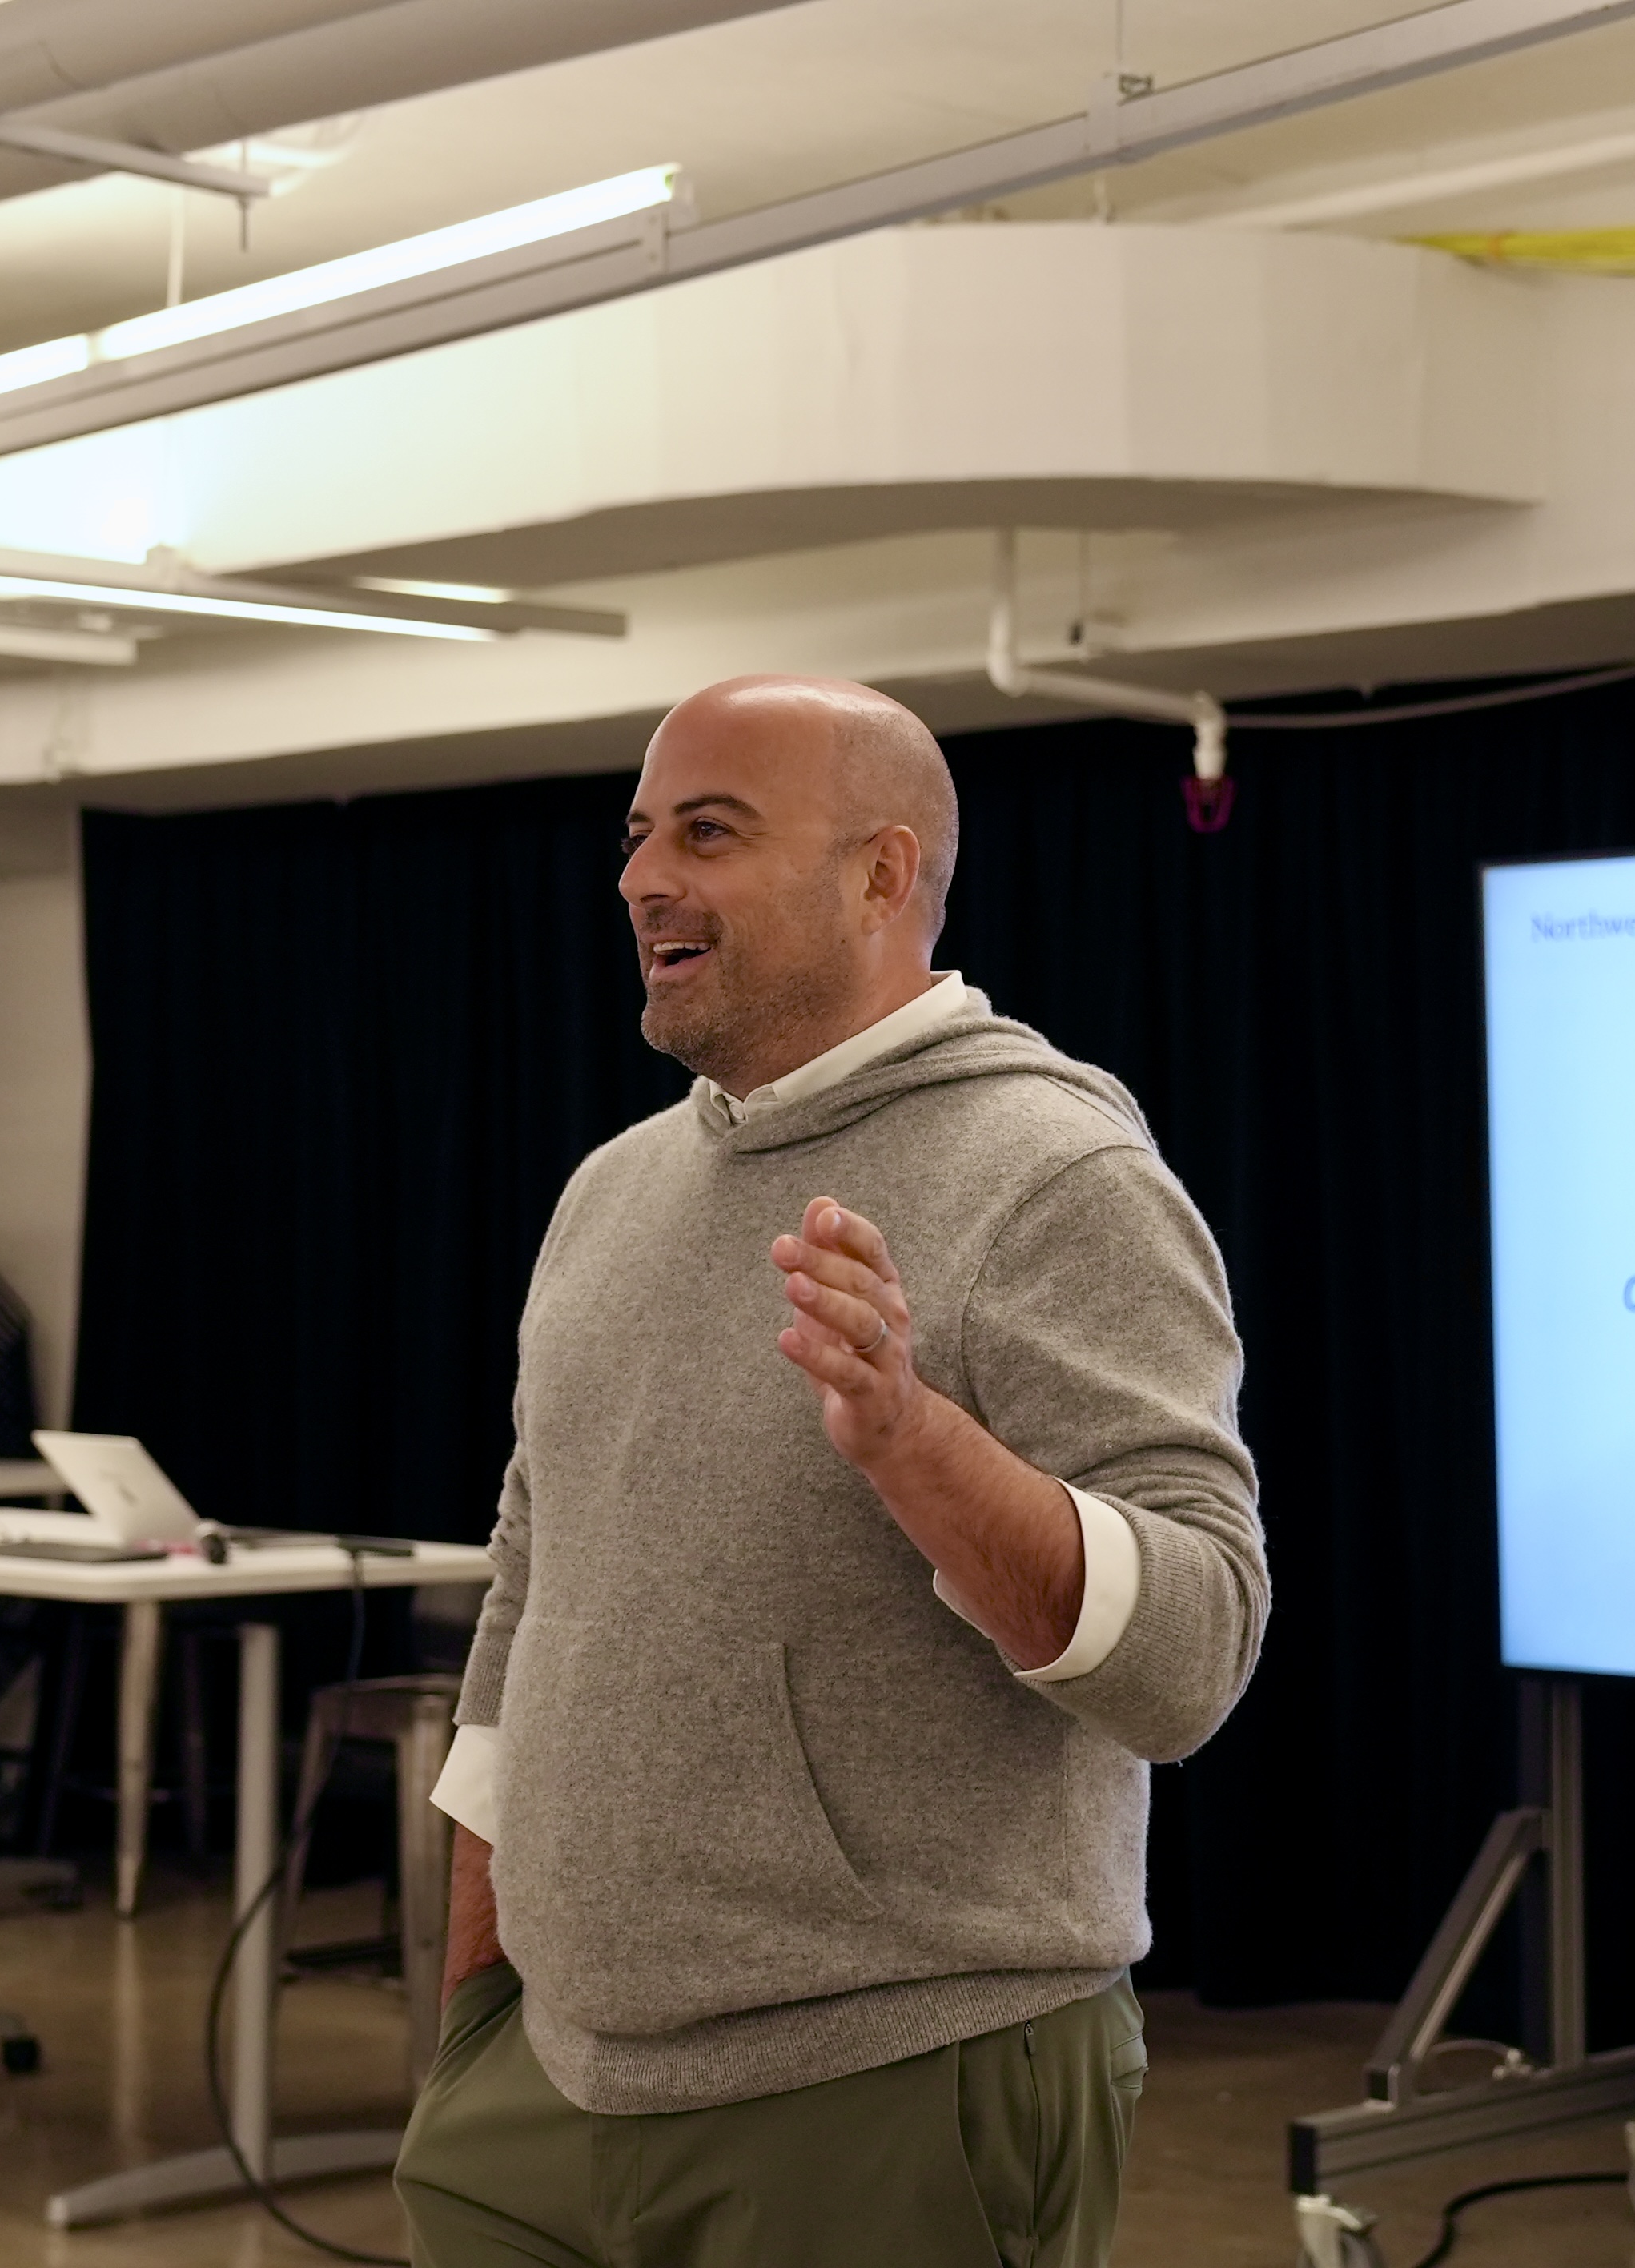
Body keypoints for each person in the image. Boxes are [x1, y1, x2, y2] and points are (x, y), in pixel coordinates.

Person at [393, 675, 1265, 2267]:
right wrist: (476, 1993)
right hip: (547, 2070)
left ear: (879, 876)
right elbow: (532, 1591)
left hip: (888, 2079)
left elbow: (1191, 1650)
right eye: (637, 835)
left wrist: (915, 1444)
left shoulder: (1056, 1171)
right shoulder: (612, 1189)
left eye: (706, 834)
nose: (641, 876)